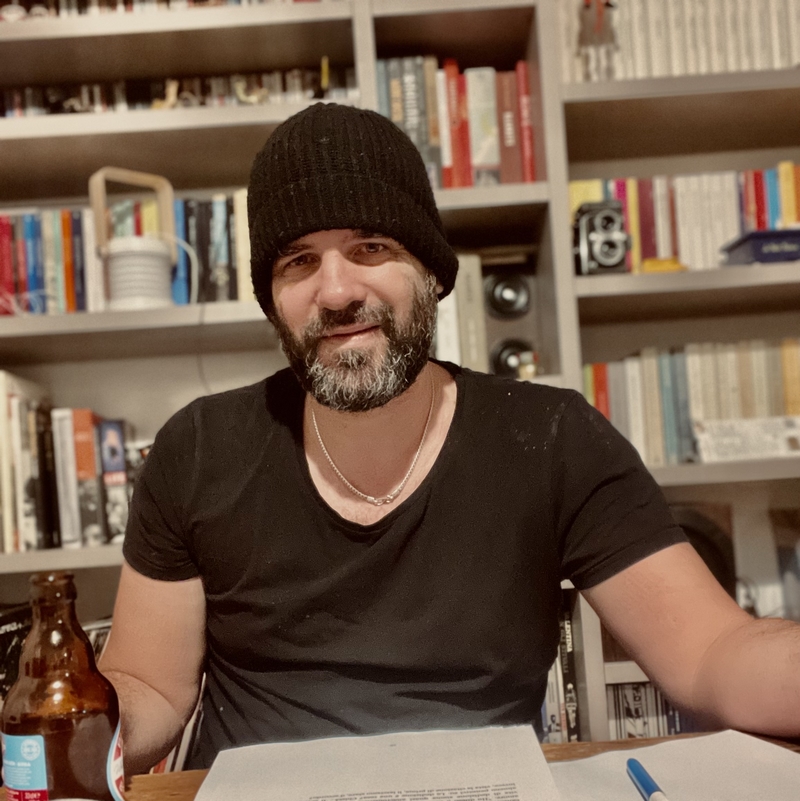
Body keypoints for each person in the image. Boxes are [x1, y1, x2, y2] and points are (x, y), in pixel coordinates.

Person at [98, 103, 800, 776]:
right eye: (298, 261)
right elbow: (150, 687)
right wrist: (70, 722)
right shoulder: (198, 448)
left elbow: (710, 651)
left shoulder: (551, 438)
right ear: (273, 299)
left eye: (371, 247)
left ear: (431, 272)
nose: (336, 291)